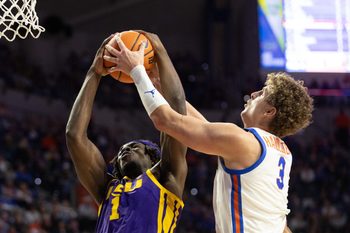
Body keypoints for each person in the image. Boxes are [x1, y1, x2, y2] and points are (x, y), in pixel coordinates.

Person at [104, 34, 314, 233]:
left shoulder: (243, 141)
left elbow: (165, 120)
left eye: (262, 94)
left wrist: (137, 71)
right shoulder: (281, 152)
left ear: (269, 112)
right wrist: (158, 86)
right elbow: (206, 129)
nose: (253, 94)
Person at [65, 33, 188, 233]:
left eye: (133, 147)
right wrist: (94, 73)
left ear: (152, 155)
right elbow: (74, 136)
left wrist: (159, 50)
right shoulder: (107, 189)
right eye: (121, 150)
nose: (123, 151)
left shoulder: (167, 177)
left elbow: (177, 110)